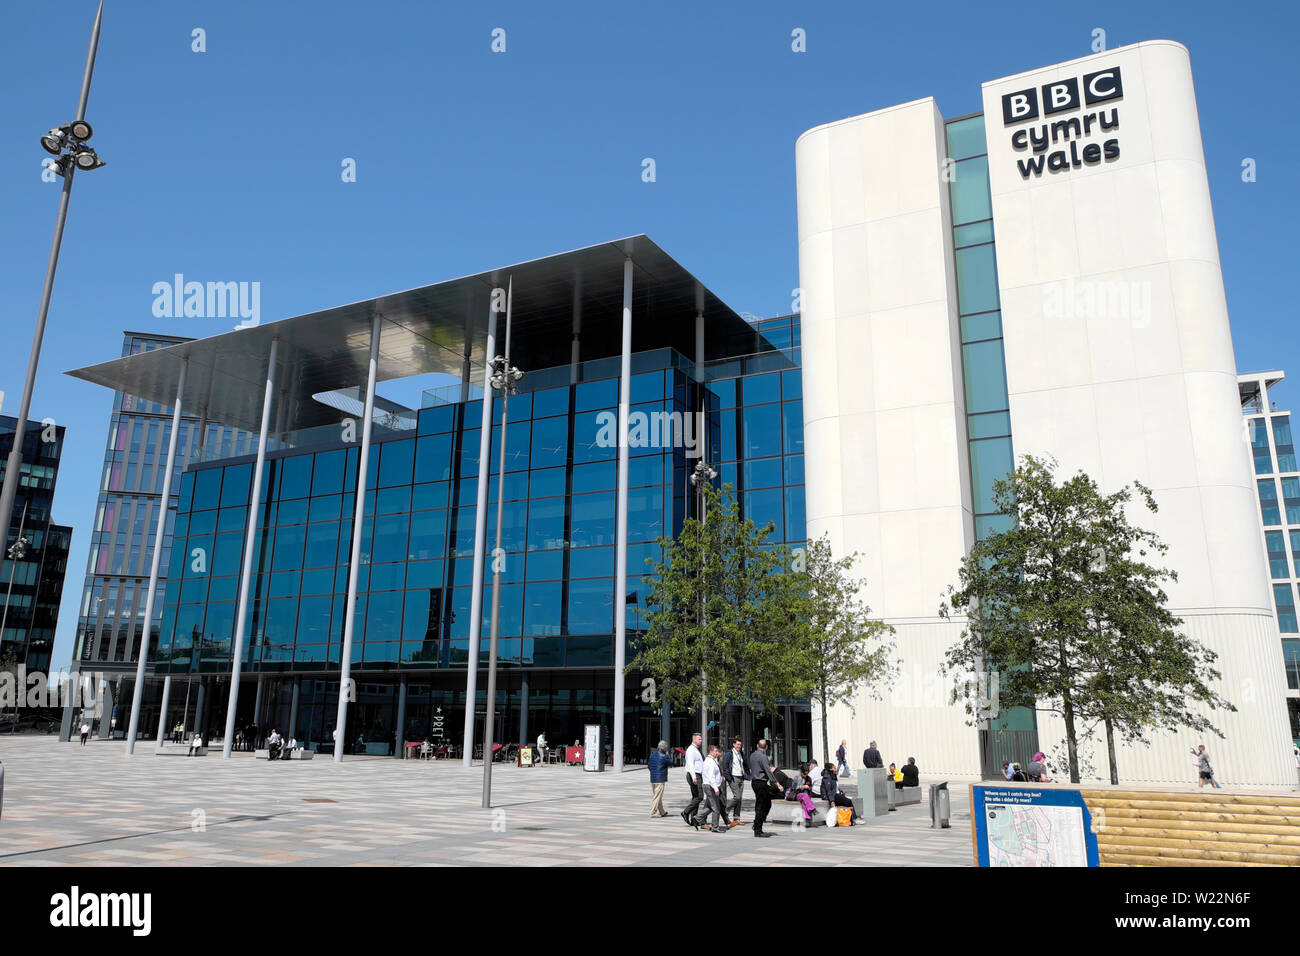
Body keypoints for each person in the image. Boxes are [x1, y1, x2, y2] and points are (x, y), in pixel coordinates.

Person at [748, 738, 779, 838]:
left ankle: (757, 823)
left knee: (766, 803)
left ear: (757, 746)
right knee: (762, 806)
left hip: (755, 782)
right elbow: (768, 771)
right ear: (766, 747)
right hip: (761, 783)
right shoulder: (763, 757)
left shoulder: (752, 755)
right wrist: (777, 783)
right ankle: (758, 829)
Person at [720, 736, 749, 828]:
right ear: (733, 744)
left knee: (739, 799)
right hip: (733, 777)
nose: (739, 746)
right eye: (737, 744)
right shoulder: (729, 754)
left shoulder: (741, 753)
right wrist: (728, 777)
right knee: (737, 797)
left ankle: (736, 818)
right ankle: (725, 810)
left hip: (741, 777)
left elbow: (745, 764)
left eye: (740, 744)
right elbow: (725, 765)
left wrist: (747, 774)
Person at [681, 731, 706, 829]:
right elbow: (690, 764)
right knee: (699, 797)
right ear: (694, 739)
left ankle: (694, 819)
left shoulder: (696, 750)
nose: (701, 741)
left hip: (697, 775)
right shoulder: (691, 750)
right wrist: (694, 777)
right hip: (694, 775)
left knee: (695, 797)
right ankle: (686, 812)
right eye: (699, 739)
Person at [702, 744, 727, 833]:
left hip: (710, 785)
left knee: (710, 806)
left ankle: (697, 818)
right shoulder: (710, 762)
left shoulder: (711, 760)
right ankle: (715, 827)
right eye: (715, 751)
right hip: (710, 786)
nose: (717, 753)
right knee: (716, 808)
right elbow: (711, 776)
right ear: (711, 752)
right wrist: (716, 788)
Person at [648, 740, 671, 817]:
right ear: (664, 749)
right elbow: (671, 763)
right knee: (657, 796)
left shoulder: (652, 755)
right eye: (666, 748)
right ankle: (653, 812)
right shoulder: (664, 757)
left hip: (653, 779)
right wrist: (668, 755)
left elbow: (649, 766)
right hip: (660, 780)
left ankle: (662, 811)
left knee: (658, 796)